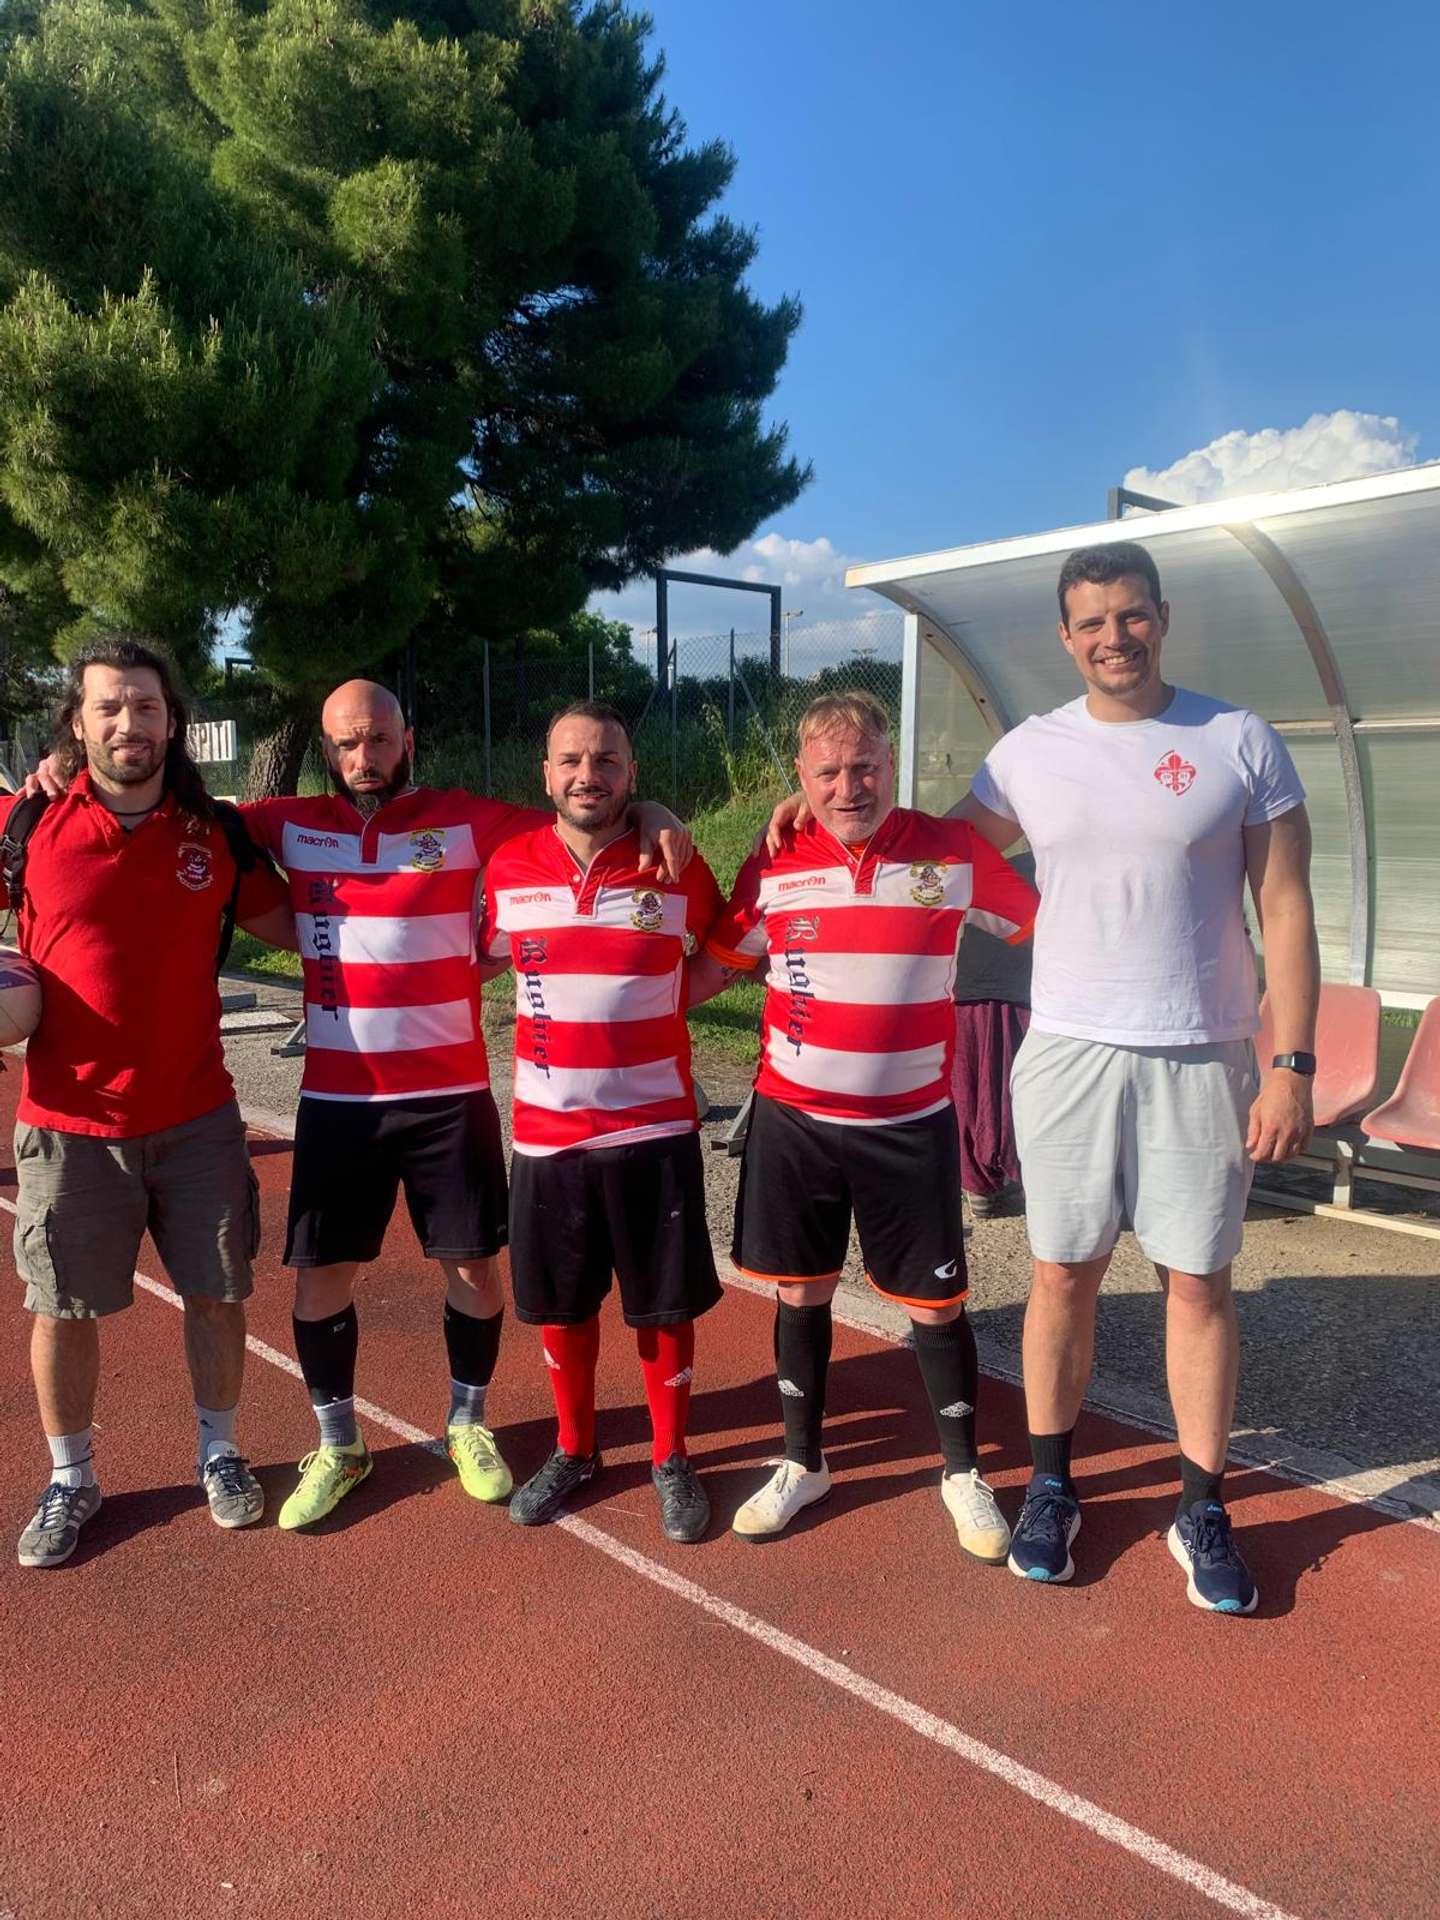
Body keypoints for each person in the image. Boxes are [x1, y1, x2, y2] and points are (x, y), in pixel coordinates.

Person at [958, 539, 1317, 1612]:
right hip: (1067, 1051)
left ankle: (1200, 1506)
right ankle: (1051, 1489)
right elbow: (924, 854)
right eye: (1093, 622)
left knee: (1198, 1284)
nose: (1115, 637)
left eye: (1132, 615)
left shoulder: (1237, 738)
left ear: (1162, 617)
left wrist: (1291, 1063)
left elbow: (1287, 905)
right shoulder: (1026, 753)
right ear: (1065, 637)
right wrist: (804, 813)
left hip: (1203, 1053)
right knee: (1062, 1274)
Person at [240, 682, 691, 1529]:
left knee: (475, 1271)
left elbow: (582, 812)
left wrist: (654, 808)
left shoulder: (469, 819)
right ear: (326, 751)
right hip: (339, 1096)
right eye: (346, 744)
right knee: (321, 1276)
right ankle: (339, 1445)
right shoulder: (285, 823)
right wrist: (53, 777)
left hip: (450, 1095)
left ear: (407, 740)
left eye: (379, 739)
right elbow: (193, 819)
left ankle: (468, 1424)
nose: (363, 758)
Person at [689, 691, 1037, 1558]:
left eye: (865, 767)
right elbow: (719, 965)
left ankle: (963, 1473)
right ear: (801, 779)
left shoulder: (952, 851)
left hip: (910, 1126)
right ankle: (802, 1463)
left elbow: (1050, 929)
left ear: (892, 761)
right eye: (829, 773)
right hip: (795, 1124)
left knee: (937, 1303)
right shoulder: (774, 859)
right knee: (799, 1290)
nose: (850, 787)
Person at [6, 639, 293, 1568]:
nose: (129, 723)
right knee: (63, 1310)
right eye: (109, 707)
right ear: (77, 722)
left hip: (199, 1117)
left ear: (174, 723)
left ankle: (220, 1452)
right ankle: (71, 1477)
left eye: (146, 706)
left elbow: (299, 924)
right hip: (68, 1125)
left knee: (216, 1293)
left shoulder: (216, 832)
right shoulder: (26, 822)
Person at [479, 701, 725, 1540]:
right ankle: (575, 1448)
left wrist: (663, 1008)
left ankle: (671, 1457)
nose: (590, 775)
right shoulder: (508, 866)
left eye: (608, 761)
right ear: (546, 775)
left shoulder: (674, 861)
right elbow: (480, 955)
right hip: (547, 1137)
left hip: (654, 1134)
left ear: (632, 773)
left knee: (663, 1306)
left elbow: (727, 949)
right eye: (572, 761)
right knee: (563, 1304)